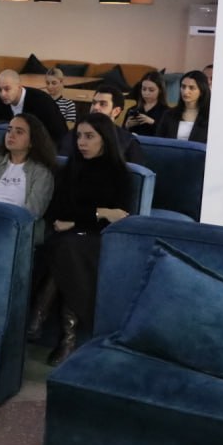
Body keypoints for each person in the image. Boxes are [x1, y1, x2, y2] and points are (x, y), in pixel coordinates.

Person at [41, 113, 130, 366]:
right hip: (70, 236)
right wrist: (100, 213)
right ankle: (66, 339)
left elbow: (120, 217)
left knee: (67, 248)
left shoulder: (118, 173)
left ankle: (41, 319)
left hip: (101, 239)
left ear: (105, 139)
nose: (82, 142)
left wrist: (81, 219)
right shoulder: (70, 169)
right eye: (79, 136)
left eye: (89, 136)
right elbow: (57, 210)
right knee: (65, 247)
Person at [0, 113, 58, 243]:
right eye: (9, 130)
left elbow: (32, 212)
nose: (11, 135)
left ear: (32, 141)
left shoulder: (41, 172)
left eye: (19, 132)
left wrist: (2, 223)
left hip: (17, 229)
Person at [57, 83, 145, 164]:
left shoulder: (128, 142)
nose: (95, 107)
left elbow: (134, 173)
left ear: (116, 111)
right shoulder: (74, 134)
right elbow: (62, 163)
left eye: (102, 104)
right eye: (94, 103)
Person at [0, 69, 68, 146]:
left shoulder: (42, 101)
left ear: (19, 86)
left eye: (7, 89)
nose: (3, 94)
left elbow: (59, 133)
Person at [157, 69, 209, 144]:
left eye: (191, 88)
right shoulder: (168, 114)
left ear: (202, 91)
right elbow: (159, 141)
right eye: (183, 86)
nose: (185, 91)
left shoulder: (209, 117)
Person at [122, 71, 169, 138]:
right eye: (144, 89)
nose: (146, 93)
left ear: (160, 90)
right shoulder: (133, 109)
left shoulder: (166, 112)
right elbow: (121, 135)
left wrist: (152, 123)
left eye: (151, 90)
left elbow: (168, 135)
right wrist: (126, 126)